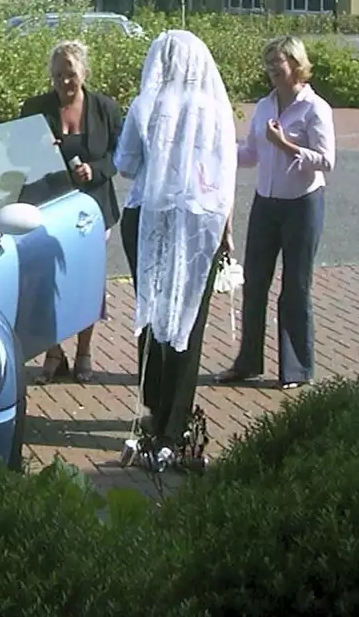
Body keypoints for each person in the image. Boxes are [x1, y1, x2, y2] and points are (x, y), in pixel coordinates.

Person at [113, 30, 238, 463]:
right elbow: (224, 173)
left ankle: (153, 405)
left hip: (149, 215)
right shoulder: (215, 108)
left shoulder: (148, 103)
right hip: (200, 221)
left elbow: (125, 164)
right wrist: (224, 226)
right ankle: (174, 424)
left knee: (152, 310)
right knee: (188, 319)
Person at [217, 35, 335, 391]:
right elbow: (251, 153)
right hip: (265, 204)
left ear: (296, 65)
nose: (271, 69)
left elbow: (326, 161)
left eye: (277, 62)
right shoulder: (265, 106)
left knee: (295, 287)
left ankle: (297, 369)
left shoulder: (315, 108)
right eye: (268, 62)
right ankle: (248, 361)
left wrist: (286, 145)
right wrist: (218, 152)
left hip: (302, 204)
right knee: (254, 282)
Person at [18, 39, 123, 385]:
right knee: (48, 282)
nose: (65, 82)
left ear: (85, 74)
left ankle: (84, 352)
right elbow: (18, 157)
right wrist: (36, 149)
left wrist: (95, 170)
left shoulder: (105, 108)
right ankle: (53, 351)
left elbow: (119, 156)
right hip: (50, 209)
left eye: (71, 74)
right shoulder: (35, 109)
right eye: (59, 75)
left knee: (87, 281)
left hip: (92, 211)